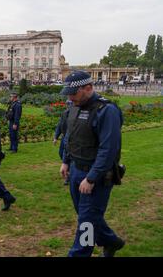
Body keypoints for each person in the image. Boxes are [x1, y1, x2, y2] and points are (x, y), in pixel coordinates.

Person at [60, 70, 125, 257]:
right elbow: (70, 137)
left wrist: (91, 178)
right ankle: (112, 241)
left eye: (74, 93)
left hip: (95, 177)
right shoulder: (75, 107)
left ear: (88, 88)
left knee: (87, 223)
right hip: (76, 171)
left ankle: (80, 253)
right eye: (69, 94)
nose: (71, 98)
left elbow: (108, 150)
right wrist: (65, 161)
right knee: (87, 217)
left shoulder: (107, 111)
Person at [53, 100, 72, 185]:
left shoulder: (76, 114)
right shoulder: (64, 113)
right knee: (61, 153)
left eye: (70, 104)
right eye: (67, 104)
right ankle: (67, 168)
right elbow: (60, 125)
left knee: (70, 156)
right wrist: (56, 137)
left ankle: (68, 175)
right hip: (65, 137)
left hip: (73, 139)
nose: (68, 106)